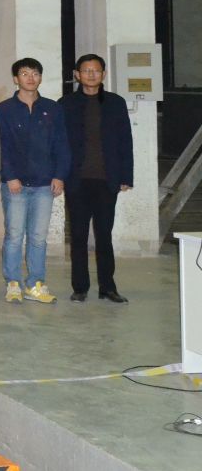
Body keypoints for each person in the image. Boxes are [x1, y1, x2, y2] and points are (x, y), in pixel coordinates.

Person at [0, 57, 70, 304]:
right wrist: (9, 176)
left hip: (44, 184)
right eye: (25, 73)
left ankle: (36, 283)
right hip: (15, 184)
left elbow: (61, 144)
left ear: (40, 78)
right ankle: (13, 283)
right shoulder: (4, 110)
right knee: (14, 235)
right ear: (16, 79)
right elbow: (1, 147)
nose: (30, 78)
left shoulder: (52, 108)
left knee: (38, 237)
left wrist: (59, 175)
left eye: (35, 73)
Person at [61, 54, 134, 304]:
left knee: (104, 236)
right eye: (86, 70)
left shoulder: (116, 103)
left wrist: (126, 176)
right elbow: (59, 143)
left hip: (107, 180)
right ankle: (80, 287)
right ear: (77, 75)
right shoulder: (66, 104)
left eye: (96, 71)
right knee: (78, 236)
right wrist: (60, 175)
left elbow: (125, 141)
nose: (91, 75)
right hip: (77, 181)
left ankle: (108, 287)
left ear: (103, 74)